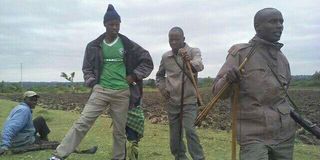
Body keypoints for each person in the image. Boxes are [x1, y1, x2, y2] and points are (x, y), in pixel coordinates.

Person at [49, 4, 153, 160]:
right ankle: (59, 155)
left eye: (117, 24)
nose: (115, 27)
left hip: (122, 93)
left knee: (119, 131)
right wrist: (92, 82)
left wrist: (133, 76)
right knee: (82, 123)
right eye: (111, 24)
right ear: (105, 24)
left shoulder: (127, 44)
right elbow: (87, 68)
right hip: (101, 91)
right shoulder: (93, 46)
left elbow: (147, 61)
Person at [211, 8, 296, 160]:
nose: (279, 26)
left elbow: (283, 95)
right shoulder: (241, 53)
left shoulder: (283, 59)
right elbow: (218, 93)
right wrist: (228, 80)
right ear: (257, 26)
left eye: (281, 22)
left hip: (284, 134)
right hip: (253, 134)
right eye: (273, 21)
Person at [156, 27, 205, 160]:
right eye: (171, 39)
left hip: (189, 101)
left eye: (176, 39)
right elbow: (159, 76)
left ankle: (199, 158)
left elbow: (199, 65)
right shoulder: (166, 57)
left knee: (190, 131)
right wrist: (162, 88)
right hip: (173, 102)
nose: (173, 42)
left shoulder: (193, 51)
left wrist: (189, 60)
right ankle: (180, 157)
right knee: (175, 137)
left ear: (183, 39)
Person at [0, 91, 59, 155]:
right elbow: (10, 128)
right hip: (20, 140)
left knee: (40, 120)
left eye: (35, 100)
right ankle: (43, 142)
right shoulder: (24, 110)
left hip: (22, 134)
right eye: (31, 100)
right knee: (55, 144)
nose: (34, 102)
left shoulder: (21, 107)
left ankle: (44, 140)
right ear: (24, 99)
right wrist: (4, 145)